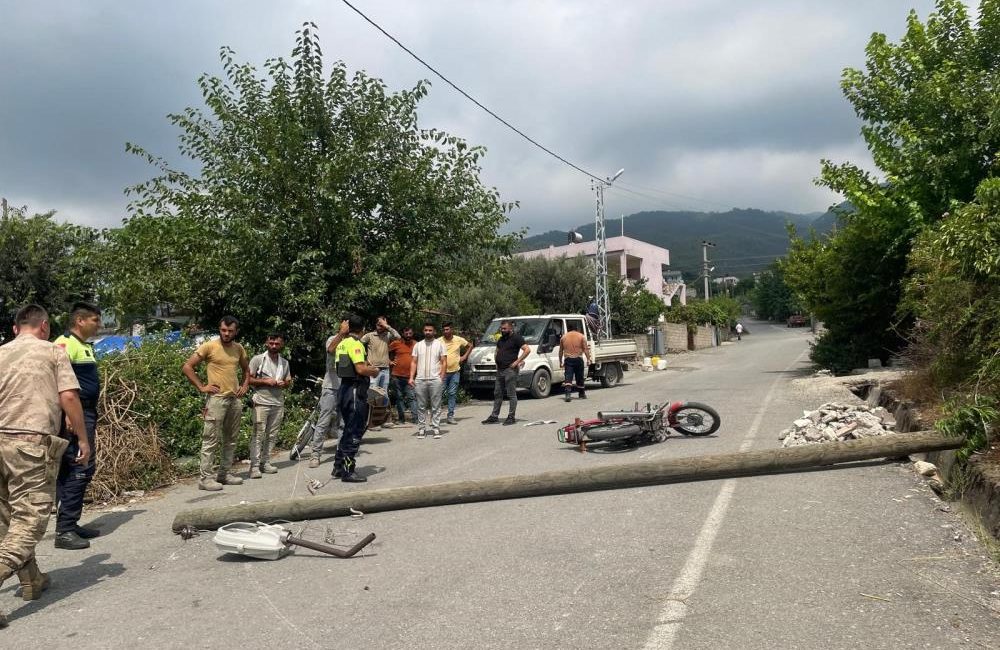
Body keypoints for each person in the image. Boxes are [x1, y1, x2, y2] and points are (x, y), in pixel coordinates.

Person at [0, 304, 89, 628]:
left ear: (15, 329)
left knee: (9, 518)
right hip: (29, 443)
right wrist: (82, 438)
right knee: (31, 520)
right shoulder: (52, 352)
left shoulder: (0, 353)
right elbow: (68, 397)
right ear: (45, 327)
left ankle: (32, 580)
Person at [52, 302, 103, 550]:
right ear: (80, 320)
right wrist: (68, 415)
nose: (99, 324)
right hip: (76, 414)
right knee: (81, 465)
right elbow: (58, 384)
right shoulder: (64, 344)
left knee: (74, 467)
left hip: (86, 412)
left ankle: (70, 523)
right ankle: (64, 530)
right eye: (95, 320)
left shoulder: (83, 346)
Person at [182, 315, 250, 491]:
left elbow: (246, 368)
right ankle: (205, 478)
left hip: (234, 399)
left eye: (230, 331)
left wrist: (244, 385)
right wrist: (202, 387)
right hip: (216, 400)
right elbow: (187, 367)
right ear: (219, 330)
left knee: (231, 439)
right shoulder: (209, 346)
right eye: (223, 330)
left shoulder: (238, 348)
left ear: (236, 332)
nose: (226, 334)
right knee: (210, 439)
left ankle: (224, 474)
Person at [332, 315, 379, 482]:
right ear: (363, 329)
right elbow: (360, 369)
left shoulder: (342, 343)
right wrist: (373, 371)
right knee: (355, 430)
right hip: (354, 389)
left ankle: (338, 467)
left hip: (344, 389)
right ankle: (348, 470)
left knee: (347, 429)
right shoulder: (356, 344)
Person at [295, 321, 349, 468]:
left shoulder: (352, 342)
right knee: (323, 421)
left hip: (346, 387)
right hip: (331, 387)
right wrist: (341, 333)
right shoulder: (332, 339)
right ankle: (315, 455)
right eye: (346, 326)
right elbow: (331, 350)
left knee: (343, 423)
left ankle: (342, 453)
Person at [247, 332, 292, 479]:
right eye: (271, 343)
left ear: (282, 345)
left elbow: (288, 381)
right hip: (261, 401)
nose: (273, 346)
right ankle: (254, 466)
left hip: (278, 402)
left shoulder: (284, 363)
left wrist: (283, 383)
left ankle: (265, 462)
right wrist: (266, 381)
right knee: (258, 434)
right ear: (266, 343)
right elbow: (248, 379)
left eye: (277, 344)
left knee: (272, 435)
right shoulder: (258, 359)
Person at [481, 320, 530, 426]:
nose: (502, 330)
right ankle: (494, 416)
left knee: (511, 394)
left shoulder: (517, 338)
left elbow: (527, 350)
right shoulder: (501, 339)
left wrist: (517, 362)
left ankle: (511, 417)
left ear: (510, 329)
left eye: (504, 329)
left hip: (510, 370)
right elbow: (497, 350)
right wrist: (496, 362)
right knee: (497, 393)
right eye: (501, 329)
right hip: (500, 370)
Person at [360, 316, 400, 430]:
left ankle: (386, 420)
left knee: (384, 395)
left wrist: (386, 326)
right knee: (373, 395)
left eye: (382, 324)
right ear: (375, 324)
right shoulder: (369, 336)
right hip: (373, 370)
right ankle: (372, 423)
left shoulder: (387, 335)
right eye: (378, 324)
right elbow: (357, 344)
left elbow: (398, 336)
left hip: (385, 369)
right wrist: (365, 361)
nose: (380, 326)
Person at [410, 322, 447, 439]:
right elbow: (414, 362)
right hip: (420, 380)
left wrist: (442, 376)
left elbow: (444, 361)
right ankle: (422, 429)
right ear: (423, 331)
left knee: (436, 405)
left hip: (435, 379)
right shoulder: (418, 345)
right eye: (426, 330)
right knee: (421, 406)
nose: (428, 332)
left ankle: (436, 428)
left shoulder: (440, 344)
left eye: (430, 330)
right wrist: (411, 377)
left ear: (434, 332)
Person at [438, 323, 471, 425]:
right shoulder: (438, 341)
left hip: (455, 372)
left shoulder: (458, 339)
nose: (445, 331)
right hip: (442, 372)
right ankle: (436, 417)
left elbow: (470, 345)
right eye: (444, 330)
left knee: (452, 394)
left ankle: (450, 416)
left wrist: (464, 356)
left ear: (451, 330)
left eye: (447, 329)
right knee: (438, 394)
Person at [388, 326, 418, 425]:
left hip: (410, 377)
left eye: (410, 333)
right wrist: (390, 361)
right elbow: (384, 352)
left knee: (412, 397)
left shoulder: (416, 344)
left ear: (412, 333)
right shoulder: (396, 343)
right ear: (403, 334)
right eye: (406, 333)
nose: (408, 335)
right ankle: (401, 419)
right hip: (396, 376)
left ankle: (415, 418)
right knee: (399, 398)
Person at [559, 322, 591, 402]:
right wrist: (588, 359)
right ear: (576, 329)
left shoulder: (563, 337)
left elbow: (560, 351)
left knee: (568, 377)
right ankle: (581, 394)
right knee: (579, 377)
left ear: (568, 329)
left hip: (568, 359)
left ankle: (568, 394)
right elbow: (585, 349)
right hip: (578, 359)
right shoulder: (581, 336)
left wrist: (560, 361)